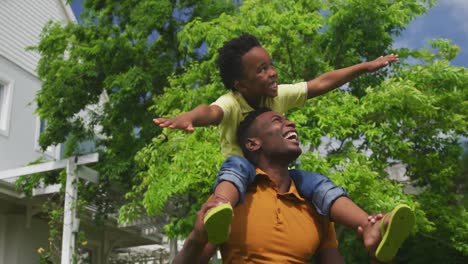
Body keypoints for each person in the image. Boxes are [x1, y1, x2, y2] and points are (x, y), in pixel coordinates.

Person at [154, 34, 397, 246]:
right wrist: (189, 118)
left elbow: (321, 83)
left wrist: (365, 67)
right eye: (261, 70)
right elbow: (210, 112)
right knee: (236, 166)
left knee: (316, 182)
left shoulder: (277, 95)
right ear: (240, 85)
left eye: (271, 65)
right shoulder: (232, 102)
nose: (273, 73)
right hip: (243, 175)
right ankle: (219, 207)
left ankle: (368, 225)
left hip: (277, 171)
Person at [173, 109, 415, 263]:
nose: (292, 124)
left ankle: (373, 228)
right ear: (253, 143)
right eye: (277, 120)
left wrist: (380, 257)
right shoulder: (232, 200)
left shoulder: (317, 207)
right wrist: (196, 237)